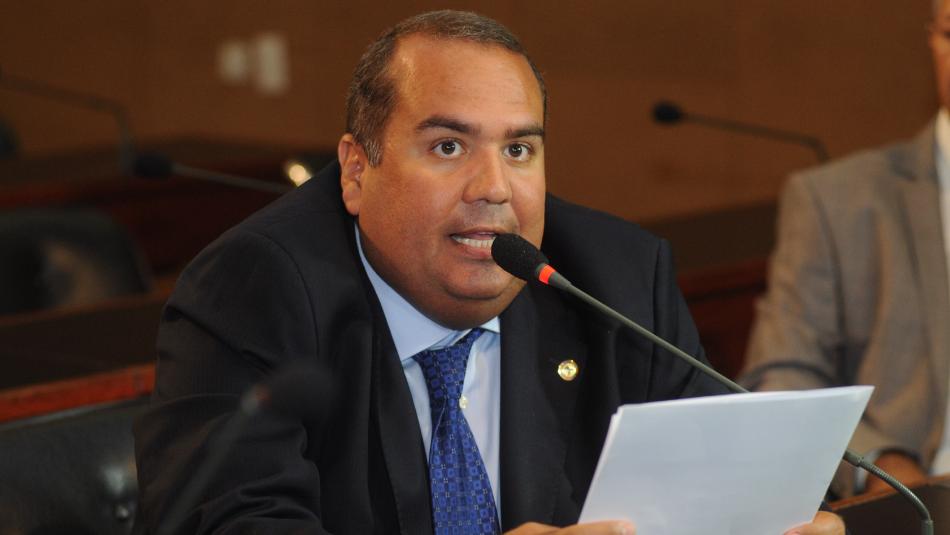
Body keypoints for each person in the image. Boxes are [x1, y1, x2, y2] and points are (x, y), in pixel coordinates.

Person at [134, 10, 843, 534]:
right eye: (449, 146)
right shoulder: (254, 289)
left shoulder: (617, 279)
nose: (494, 188)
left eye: (519, 150)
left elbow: (716, 492)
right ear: (355, 171)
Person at [741, 0, 950, 498]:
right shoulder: (837, 200)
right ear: (933, 40)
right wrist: (880, 465)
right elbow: (782, 381)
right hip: (925, 497)